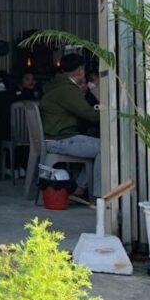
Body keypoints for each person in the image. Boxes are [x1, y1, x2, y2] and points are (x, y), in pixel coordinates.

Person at [40, 53, 101, 199]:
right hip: (61, 139)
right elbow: (91, 115)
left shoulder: (55, 85)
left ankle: (80, 187)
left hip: (51, 138)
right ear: (80, 70)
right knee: (106, 148)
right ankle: (98, 197)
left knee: (95, 141)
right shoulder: (67, 89)